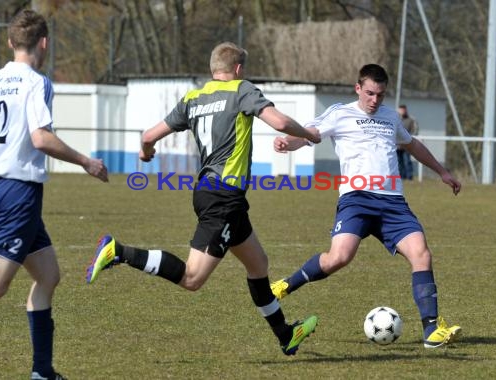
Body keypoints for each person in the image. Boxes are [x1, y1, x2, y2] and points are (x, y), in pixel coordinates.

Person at [86, 42, 320, 355]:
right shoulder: (242, 89)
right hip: (223, 198)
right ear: (237, 70)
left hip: (215, 194)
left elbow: (147, 137)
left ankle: (285, 336)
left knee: (258, 264)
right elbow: (278, 122)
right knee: (192, 278)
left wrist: (146, 153)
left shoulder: (194, 97)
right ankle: (118, 252)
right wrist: (307, 134)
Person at [270, 64, 462, 348]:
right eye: (370, 93)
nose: (374, 100)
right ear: (358, 88)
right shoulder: (340, 113)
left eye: (380, 95)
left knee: (421, 254)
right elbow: (310, 132)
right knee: (339, 258)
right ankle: (284, 286)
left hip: (393, 202)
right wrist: (289, 142)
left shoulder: (390, 117)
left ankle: (431, 330)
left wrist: (442, 171)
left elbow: (412, 145)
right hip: (356, 199)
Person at [0, 9, 109, 380]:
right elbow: (40, 137)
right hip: (20, 192)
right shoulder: (37, 82)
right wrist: (85, 161)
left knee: (48, 275)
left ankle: (42, 372)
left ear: (10, 42)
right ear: (44, 43)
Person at [396, 104, 419, 180]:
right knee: (399, 162)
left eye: (403, 110)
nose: (402, 111)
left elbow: (415, 131)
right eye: (401, 109)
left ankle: (409, 177)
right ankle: (401, 177)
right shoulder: (395, 119)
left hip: (407, 145)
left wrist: (408, 139)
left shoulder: (411, 120)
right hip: (398, 145)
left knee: (407, 161)